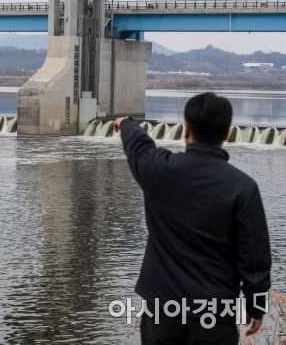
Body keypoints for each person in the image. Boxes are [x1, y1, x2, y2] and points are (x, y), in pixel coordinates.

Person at [114, 92, 271, 345]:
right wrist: (256, 307)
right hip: (214, 311)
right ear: (227, 134)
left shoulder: (158, 170)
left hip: (162, 307)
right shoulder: (243, 187)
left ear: (186, 130)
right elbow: (254, 259)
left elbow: (139, 146)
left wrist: (126, 123)